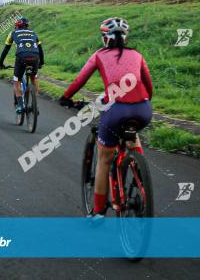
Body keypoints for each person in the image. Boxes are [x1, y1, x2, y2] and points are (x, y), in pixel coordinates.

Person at [59, 17, 153, 218]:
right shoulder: (137, 55)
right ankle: (140, 175)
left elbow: (80, 79)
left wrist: (66, 97)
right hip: (144, 109)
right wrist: (142, 102)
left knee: (104, 158)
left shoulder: (100, 55)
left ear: (105, 38)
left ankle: (99, 211)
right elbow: (149, 85)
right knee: (132, 134)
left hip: (116, 110)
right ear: (125, 37)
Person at [0, 16, 44, 115]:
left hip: (21, 57)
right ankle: (35, 104)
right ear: (27, 25)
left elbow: (6, 50)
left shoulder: (13, 33)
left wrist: (1, 63)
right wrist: (41, 62)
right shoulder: (33, 33)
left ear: (16, 26)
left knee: (16, 80)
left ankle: (20, 106)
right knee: (34, 76)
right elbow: (40, 49)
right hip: (35, 57)